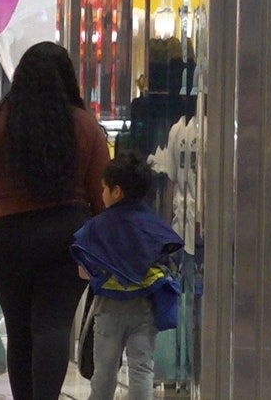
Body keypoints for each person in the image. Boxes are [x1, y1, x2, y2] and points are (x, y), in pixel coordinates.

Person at [0, 41, 110, 400]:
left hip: (10, 236)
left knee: (19, 328)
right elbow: (100, 192)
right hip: (67, 234)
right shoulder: (85, 125)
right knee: (53, 325)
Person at [71, 152, 184, 400]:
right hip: (146, 309)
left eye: (103, 189)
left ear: (117, 191)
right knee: (142, 370)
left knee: (104, 373)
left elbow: (83, 270)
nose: (101, 194)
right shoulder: (154, 226)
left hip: (109, 309)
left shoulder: (99, 227)